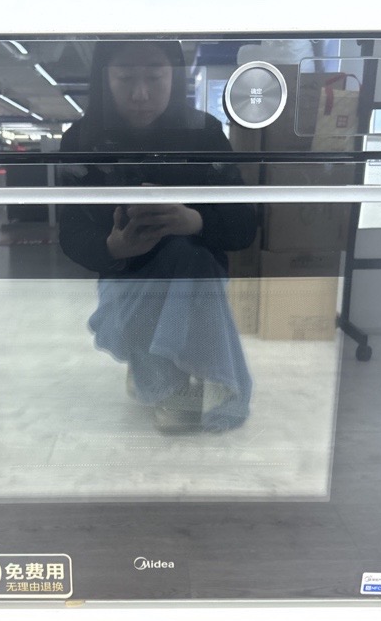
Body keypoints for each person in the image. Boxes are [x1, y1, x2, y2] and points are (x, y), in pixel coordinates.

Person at [58, 40, 256, 433]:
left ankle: (165, 378)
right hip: (128, 275)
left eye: (154, 76)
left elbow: (244, 225)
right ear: (104, 79)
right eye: (125, 78)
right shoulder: (82, 140)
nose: (141, 94)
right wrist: (113, 247)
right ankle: (173, 378)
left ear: (175, 76)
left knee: (184, 255)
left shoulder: (204, 134)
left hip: (195, 273)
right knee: (176, 264)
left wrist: (194, 221)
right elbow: (71, 232)